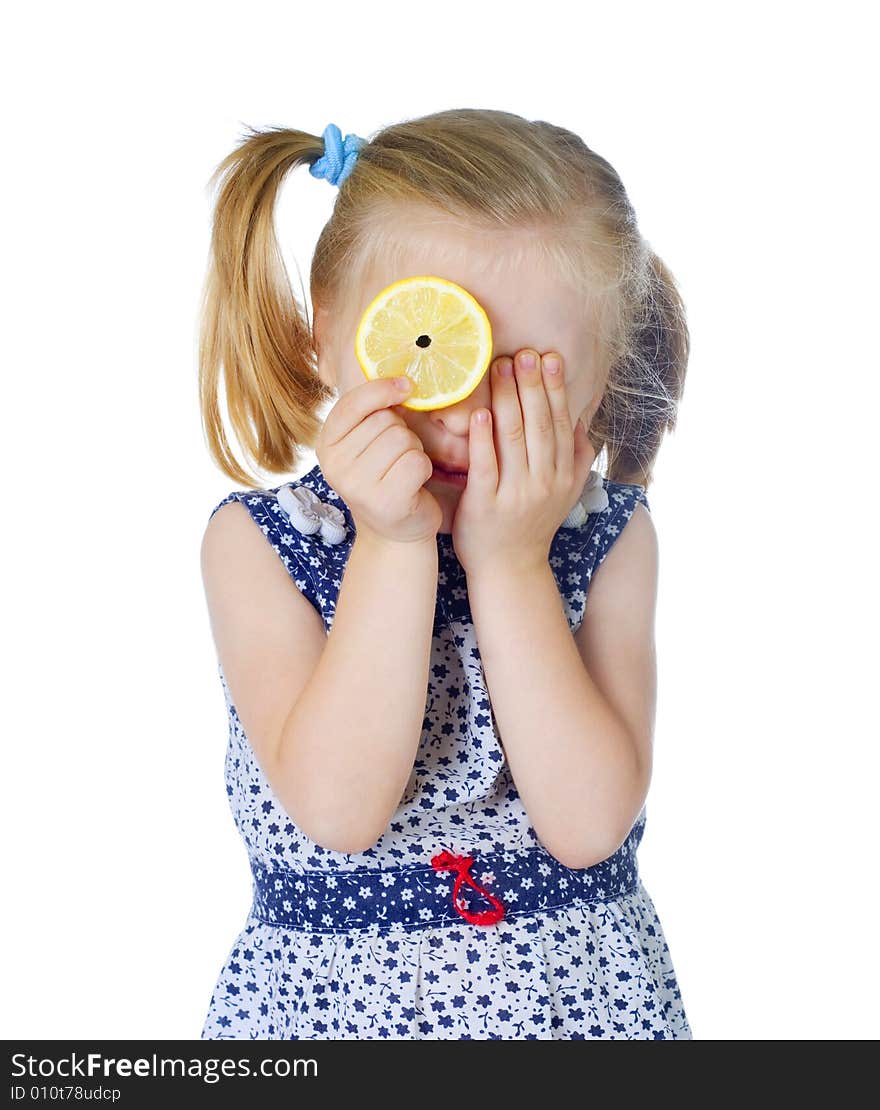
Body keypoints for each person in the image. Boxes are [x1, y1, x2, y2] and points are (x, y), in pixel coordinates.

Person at [197, 110, 692, 1040]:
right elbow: (338, 810)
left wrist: (509, 562)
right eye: (429, 351)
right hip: (335, 1018)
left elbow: (588, 827)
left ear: (601, 377)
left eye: (522, 374)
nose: (465, 411)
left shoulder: (609, 539)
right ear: (328, 332)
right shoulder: (259, 545)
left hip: (577, 1009)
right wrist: (391, 545)